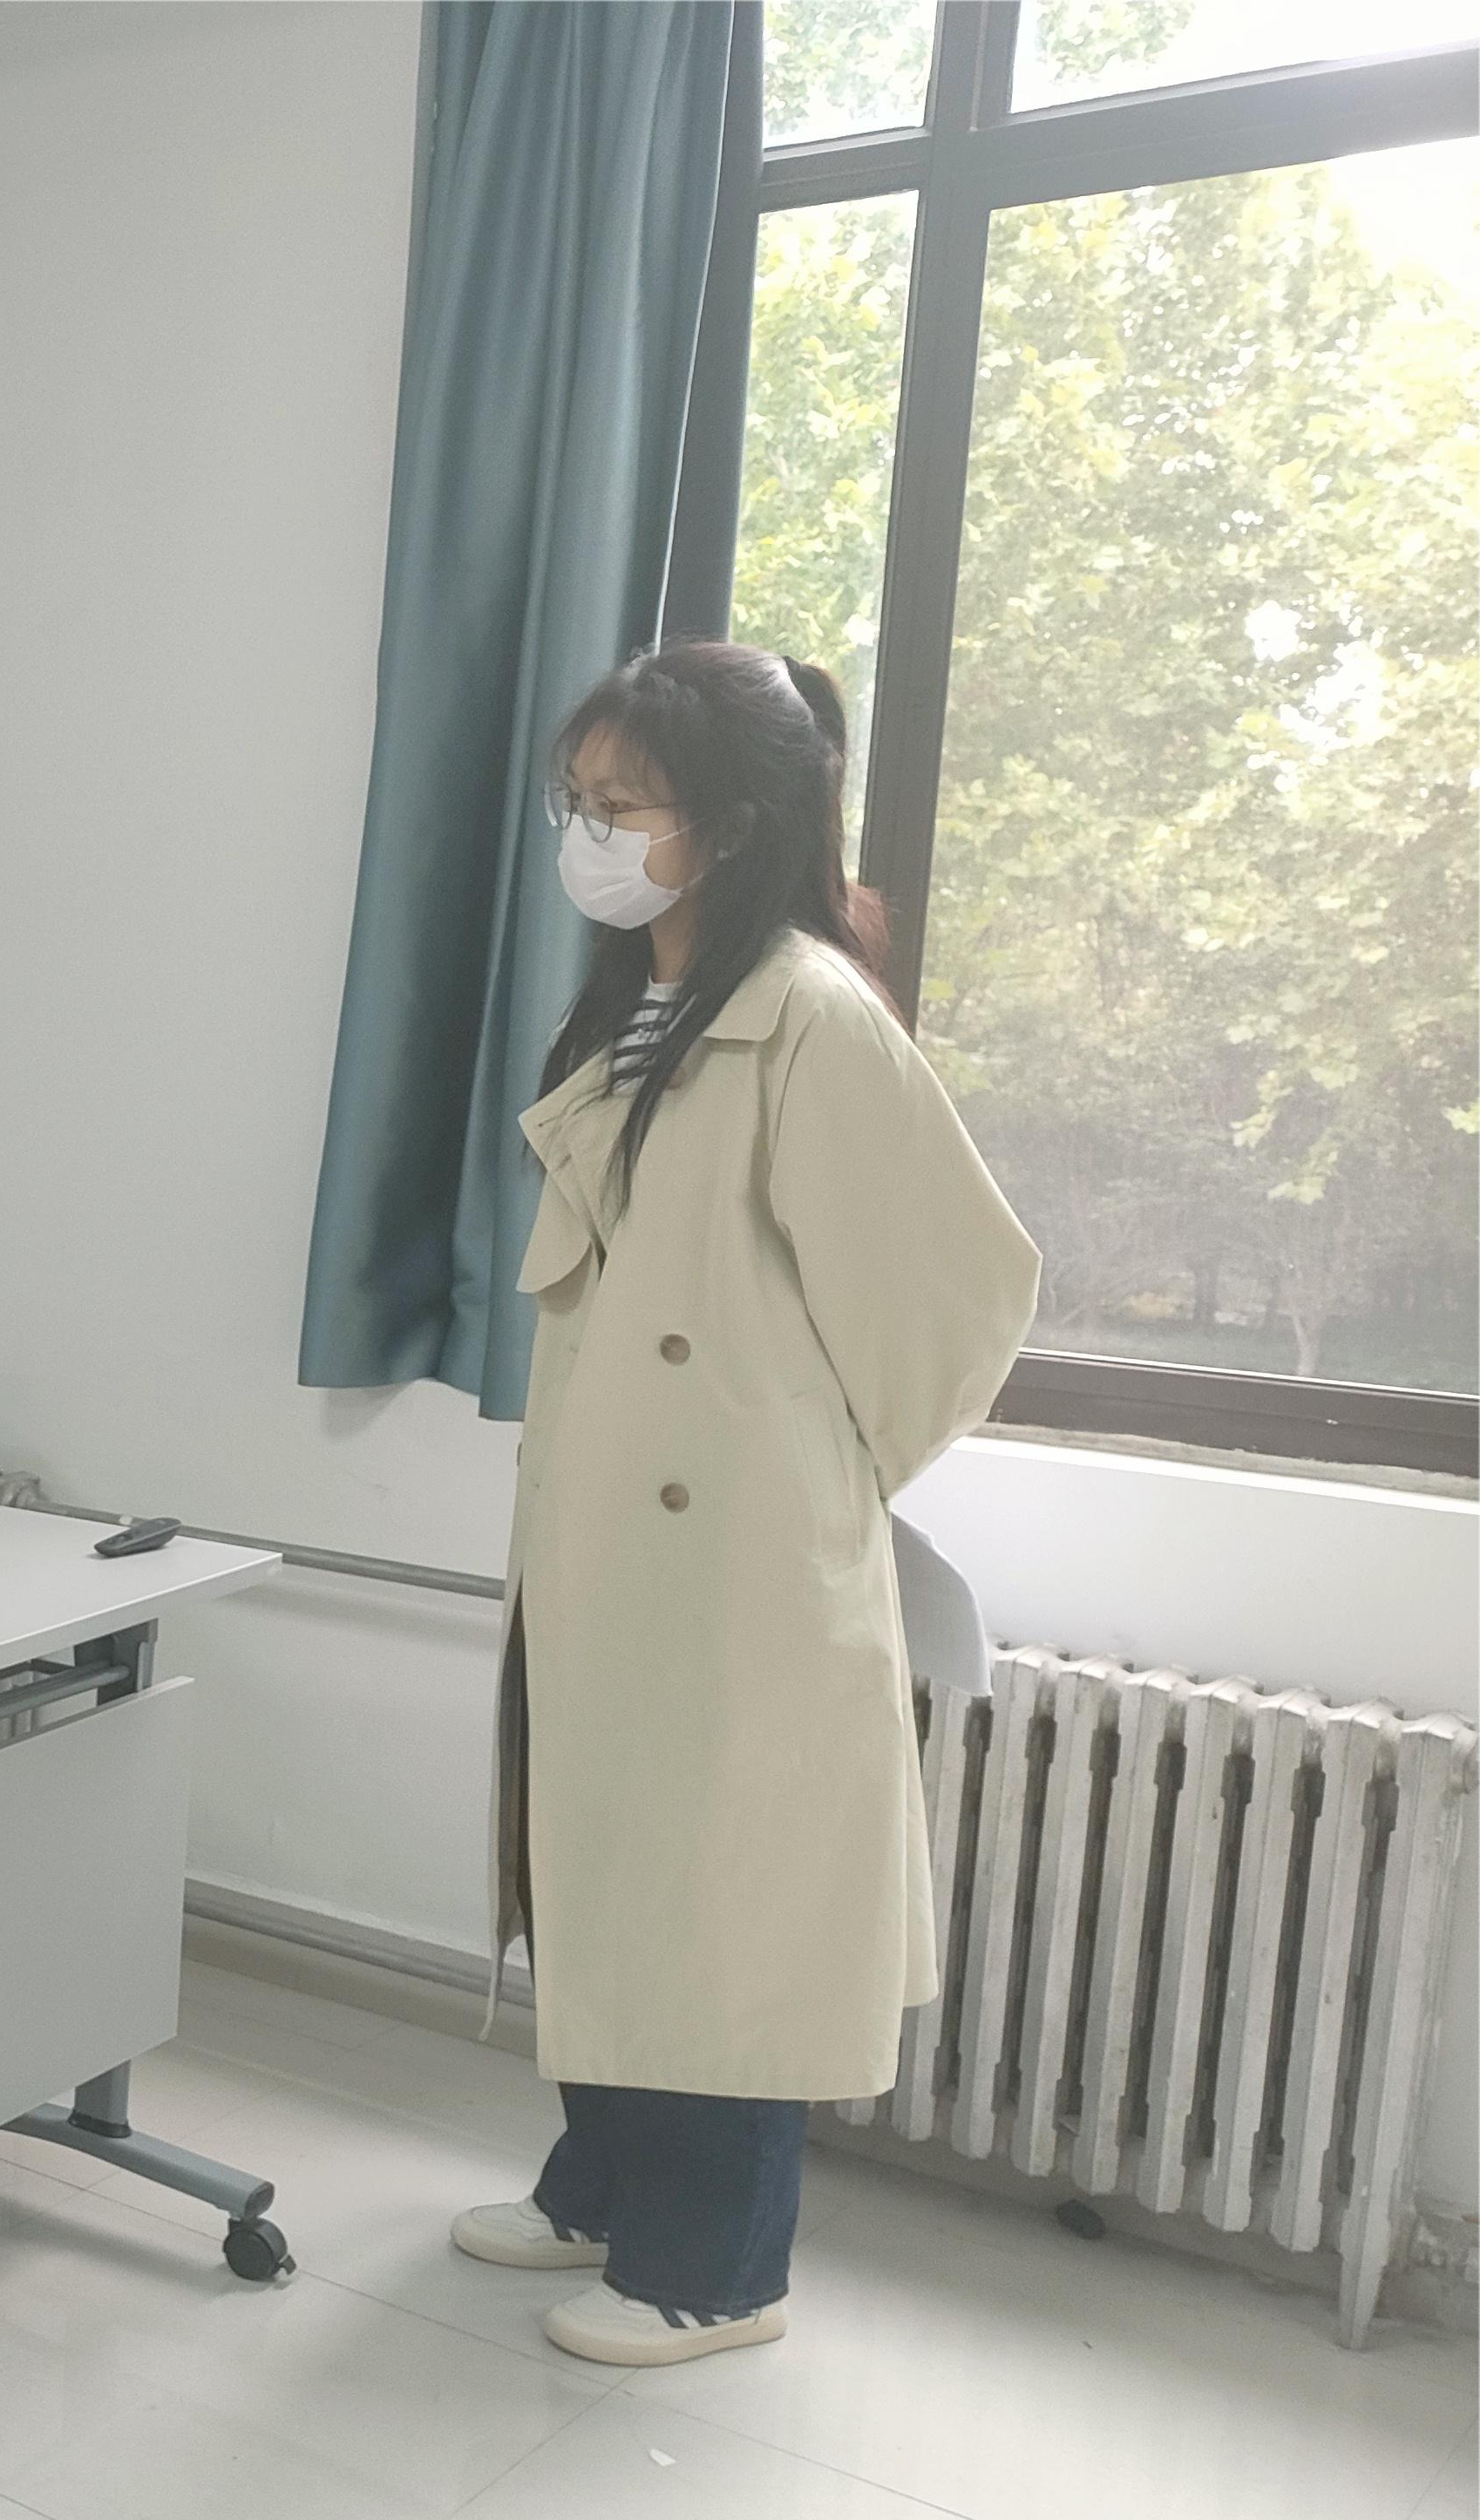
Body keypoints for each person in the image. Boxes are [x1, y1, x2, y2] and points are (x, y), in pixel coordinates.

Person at [453, 641, 1036, 2367]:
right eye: (577, 802)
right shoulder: (633, 1005)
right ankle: (600, 2183)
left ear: (723, 821)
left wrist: (803, 1474)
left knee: (725, 1901)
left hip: (734, 1554)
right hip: (609, 1535)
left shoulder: (809, 1014)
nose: (588, 834)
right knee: (603, 1863)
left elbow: (956, 1293)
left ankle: (714, 2266)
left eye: (619, 804)